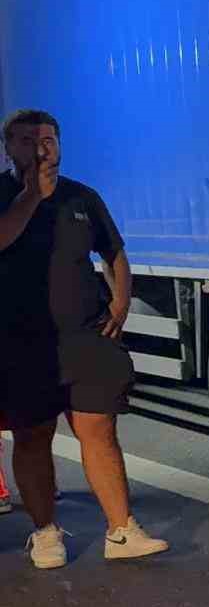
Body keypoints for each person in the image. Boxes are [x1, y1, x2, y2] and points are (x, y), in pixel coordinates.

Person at [0, 109, 168, 569]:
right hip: (22, 343)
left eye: (49, 139)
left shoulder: (82, 197)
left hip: (85, 337)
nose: (41, 147)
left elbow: (113, 252)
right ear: (8, 147)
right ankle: (46, 532)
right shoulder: (3, 194)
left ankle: (121, 530)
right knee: (32, 436)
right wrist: (33, 194)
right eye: (28, 140)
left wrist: (121, 301)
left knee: (98, 430)